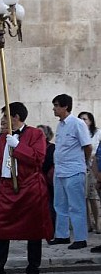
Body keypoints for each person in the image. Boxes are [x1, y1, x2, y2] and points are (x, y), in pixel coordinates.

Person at [0, 103, 53, 274]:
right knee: (2, 233)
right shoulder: (2, 138)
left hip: (30, 189)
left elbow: (38, 159)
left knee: (34, 232)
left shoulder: (35, 134)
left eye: (6, 116)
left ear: (16, 117)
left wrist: (18, 146)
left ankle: (33, 271)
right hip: (7, 189)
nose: (3, 120)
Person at [50, 94, 92, 249]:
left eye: (56, 105)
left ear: (65, 106)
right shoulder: (60, 125)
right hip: (60, 170)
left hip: (74, 170)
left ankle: (80, 238)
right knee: (59, 204)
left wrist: (85, 163)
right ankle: (62, 235)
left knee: (76, 205)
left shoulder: (77, 124)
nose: (54, 109)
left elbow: (87, 146)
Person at [78, 111, 101, 234]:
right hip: (81, 167)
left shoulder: (97, 133)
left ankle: (97, 222)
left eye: (85, 119)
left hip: (93, 167)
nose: (82, 121)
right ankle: (88, 223)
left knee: (93, 196)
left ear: (90, 121)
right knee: (83, 197)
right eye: (80, 119)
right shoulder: (78, 133)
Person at [37, 124, 56, 228]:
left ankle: (52, 226)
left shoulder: (51, 147)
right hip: (37, 179)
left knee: (51, 203)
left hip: (48, 179)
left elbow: (48, 162)